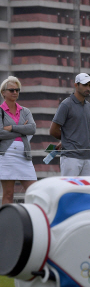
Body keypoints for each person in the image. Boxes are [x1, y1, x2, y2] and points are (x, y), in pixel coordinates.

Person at [0, 76, 37, 204]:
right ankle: (5, 223)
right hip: (6, 156)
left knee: (34, 192)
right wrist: (22, 129)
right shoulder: (0, 111)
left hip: (24, 156)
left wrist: (12, 128)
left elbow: (32, 129)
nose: (15, 92)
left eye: (17, 90)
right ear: (3, 92)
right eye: (11, 90)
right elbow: (0, 133)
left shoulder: (25, 111)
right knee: (9, 194)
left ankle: (31, 220)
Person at [49, 73, 90, 176]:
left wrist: (68, 137)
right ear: (76, 85)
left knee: (87, 191)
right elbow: (53, 130)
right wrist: (68, 139)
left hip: (88, 157)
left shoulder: (89, 107)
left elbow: (82, 130)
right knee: (70, 189)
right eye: (85, 85)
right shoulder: (66, 104)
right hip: (70, 157)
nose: (88, 88)